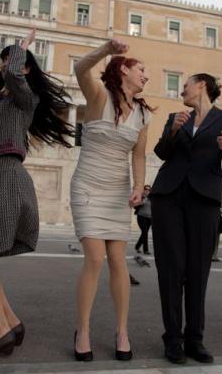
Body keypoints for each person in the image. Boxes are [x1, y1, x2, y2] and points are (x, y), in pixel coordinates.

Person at [0, 30, 74, 359]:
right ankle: (10, 321)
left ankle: (0, 330)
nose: (4, 66)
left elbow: (13, 74)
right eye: (3, 61)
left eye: (10, 61)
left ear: (24, 68)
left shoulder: (26, 99)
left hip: (8, 174)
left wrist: (22, 49)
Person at [150, 73, 222, 364]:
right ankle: (173, 339)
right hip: (168, 196)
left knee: (198, 270)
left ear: (202, 85)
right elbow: (161, 152)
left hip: (204, 199)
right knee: (171, 270)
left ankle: (194, 339)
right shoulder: (175, 117)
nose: (182, 90)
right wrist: (173, 131)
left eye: (186, 85)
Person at [70, 39, 153, 362]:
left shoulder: (143, 114)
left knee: (119, 260)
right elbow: (80, 67)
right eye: (141, 69)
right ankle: (83, 330)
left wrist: (138, 187)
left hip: (118, 192)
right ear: (123, 70)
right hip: (88, 187)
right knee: (95, 258)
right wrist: (106, 49)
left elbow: (139, 155)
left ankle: (122, 331)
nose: (146, 75)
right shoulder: (99, 95)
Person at [134, 185, 153, 255]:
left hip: (149, 218)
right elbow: (135, 206)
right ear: (143, 190)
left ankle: (137, 246)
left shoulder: (152, 198)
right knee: (145, 232)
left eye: (148, 190)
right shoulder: (140, 197)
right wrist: (141, 202)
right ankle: (146, 250)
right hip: (141, 216)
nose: (147, 191)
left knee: (144, 233)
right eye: (145, 189)